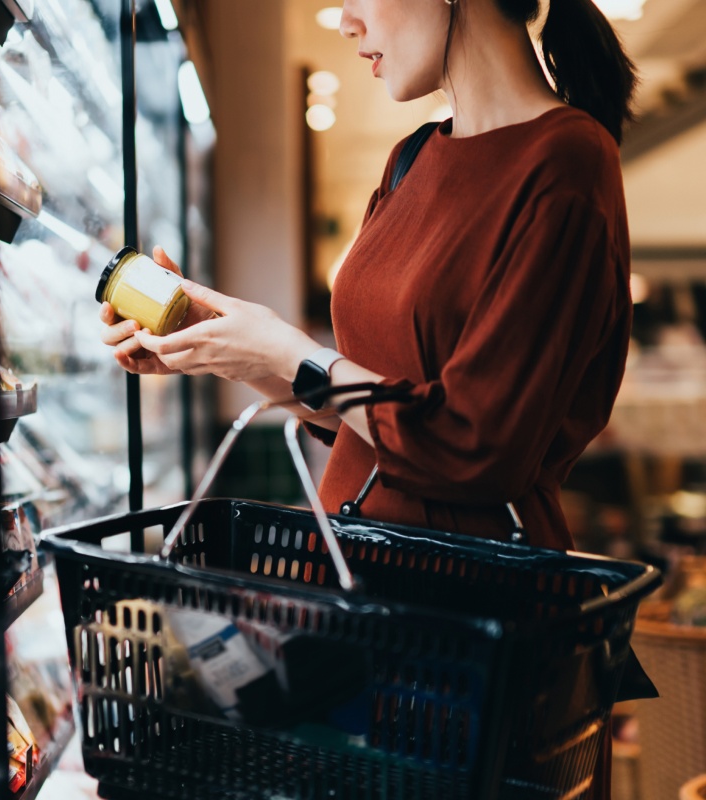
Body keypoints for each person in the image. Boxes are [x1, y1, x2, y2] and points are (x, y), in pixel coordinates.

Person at [100, 0, 637, 796]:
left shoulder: (565, 163)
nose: (346, 20)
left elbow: (474, 443)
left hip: (464, 638)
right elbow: (379, 412)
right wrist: (225, 347)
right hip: (355, 609)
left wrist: (290, 350)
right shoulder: (412, 158)